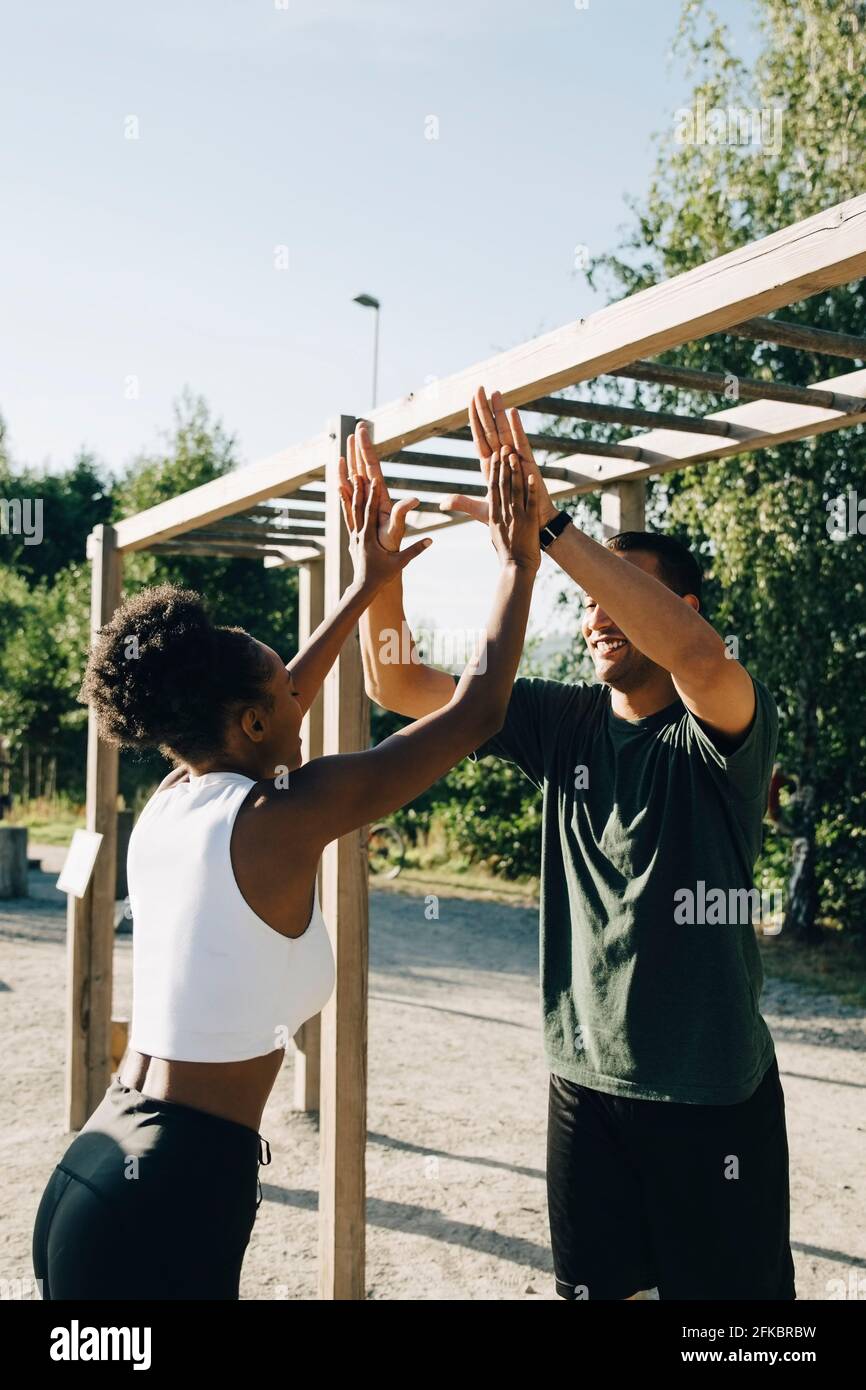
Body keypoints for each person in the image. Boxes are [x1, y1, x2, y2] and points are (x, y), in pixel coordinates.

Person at [31, 436, 540, 1300]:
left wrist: (367, 584)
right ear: (253, 725)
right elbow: (481, 708)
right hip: (169, 1191)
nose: (303, 702)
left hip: (99, 1164)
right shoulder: (283, 816)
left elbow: (272, 696)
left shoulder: (175, 794)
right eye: (285, 696)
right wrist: (518, 560)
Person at [357, 386, 796, 1302]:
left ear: (675, 605)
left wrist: (553, 530)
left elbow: (701, 661)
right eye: (583, 600)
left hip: (711, 1095)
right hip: (583, 1085)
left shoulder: (721, 729)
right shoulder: (562, 723)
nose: (593, 613)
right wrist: (379, 575)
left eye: (612, 594)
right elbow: (398, 680)